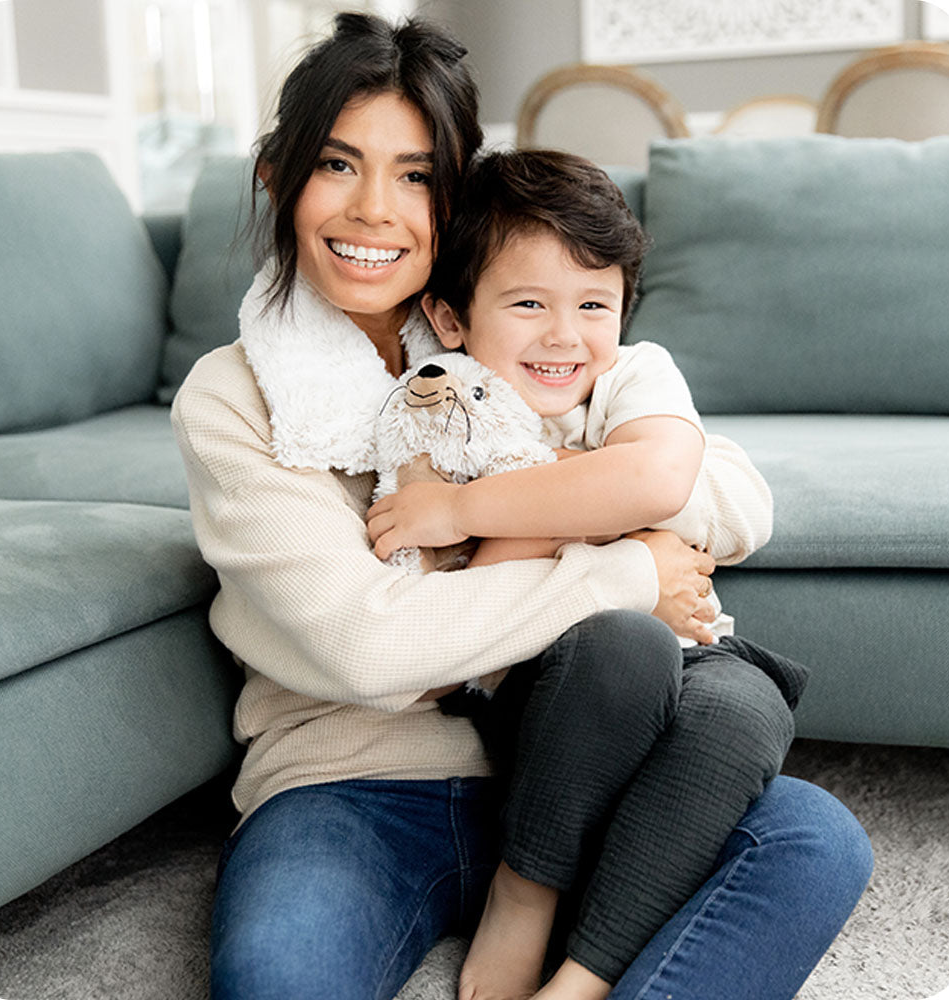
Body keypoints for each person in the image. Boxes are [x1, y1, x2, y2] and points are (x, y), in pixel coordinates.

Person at [169, 12, 873, 1000]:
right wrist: (633, 564)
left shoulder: (525, 324)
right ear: (278, 180)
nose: (376, 209)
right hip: (353, 784)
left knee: (812, 842)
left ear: (452, 197)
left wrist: (557, 500)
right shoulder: (235, 397)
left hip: (592, 758)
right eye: (337, 164)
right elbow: (367, 650)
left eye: (415, 174)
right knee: (282, 974)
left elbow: (727, 489)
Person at [364, 148, 810, 999]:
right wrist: (611, 520)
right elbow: (466, 601)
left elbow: (657, 479)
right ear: (451, 317)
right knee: (625, 648)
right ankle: (525, 894)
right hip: (546, 670)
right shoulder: (449, 403)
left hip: (689, 649)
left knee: (749, 708)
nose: (565, 335)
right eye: (528, 302)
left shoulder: (636, 373)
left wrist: (466, 511)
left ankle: (583, 979)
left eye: (594, 304)